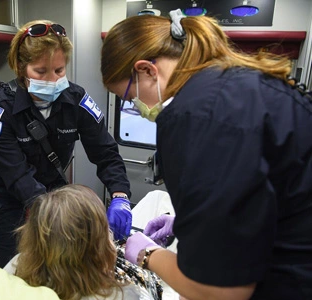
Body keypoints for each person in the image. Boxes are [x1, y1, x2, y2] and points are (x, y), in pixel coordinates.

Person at [100, 8, 312, 300]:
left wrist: (148, 254)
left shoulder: (195, 116)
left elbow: (219, 291)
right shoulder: (237, 84)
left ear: (147, 70)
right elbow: (260, 192)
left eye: (128, 98)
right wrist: (191, 224)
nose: (136, 107)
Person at [0, 19, 132, 267]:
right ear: (20, 67)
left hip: (52, 193)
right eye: (41, 72)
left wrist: (120, 195)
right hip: (7, 204)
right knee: (12, 272)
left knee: (58, 271)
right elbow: (18, 177)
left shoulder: (76, 99)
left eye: (59, 71)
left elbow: (105, 152)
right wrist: (61, 215)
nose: (52, 80)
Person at [11, 184, 159, 300]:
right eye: (106, 230)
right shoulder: (126, 295)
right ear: (99, 249)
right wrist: (154, 257)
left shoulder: (17, 266)